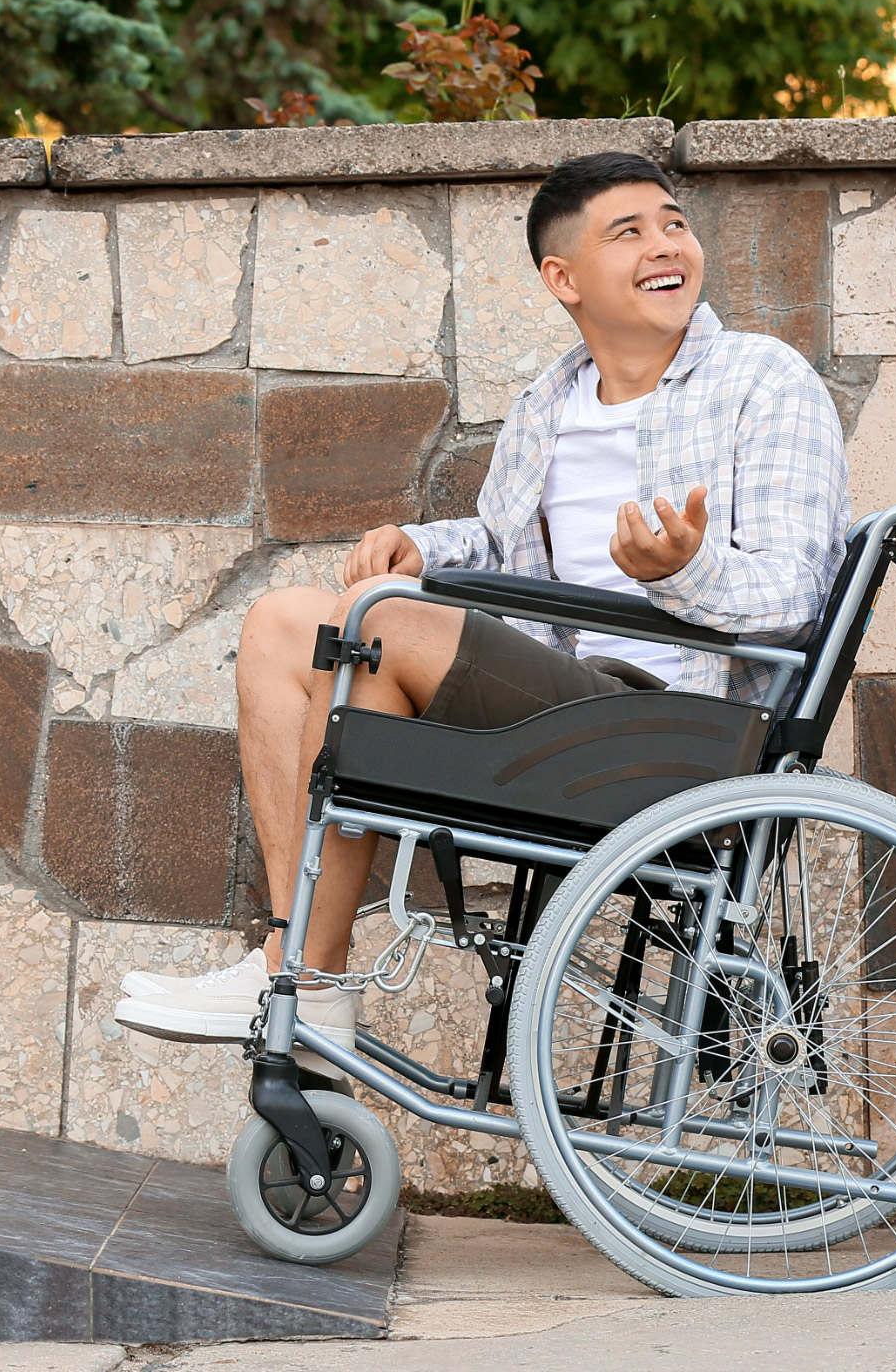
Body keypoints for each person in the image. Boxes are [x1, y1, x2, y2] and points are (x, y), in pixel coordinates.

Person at [112, 150, 849, 1058]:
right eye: (630, 232)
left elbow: (794, 593)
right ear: (563, 277)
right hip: (565, 701)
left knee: (376, 625)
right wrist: (429, 546)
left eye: (673, 223)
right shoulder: (548, 403)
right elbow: (507, 546)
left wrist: (683, 569)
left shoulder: (763, 381)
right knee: (282, 626)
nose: (666, 246)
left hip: (680, 734)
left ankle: (300, 977)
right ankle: (301, 964)